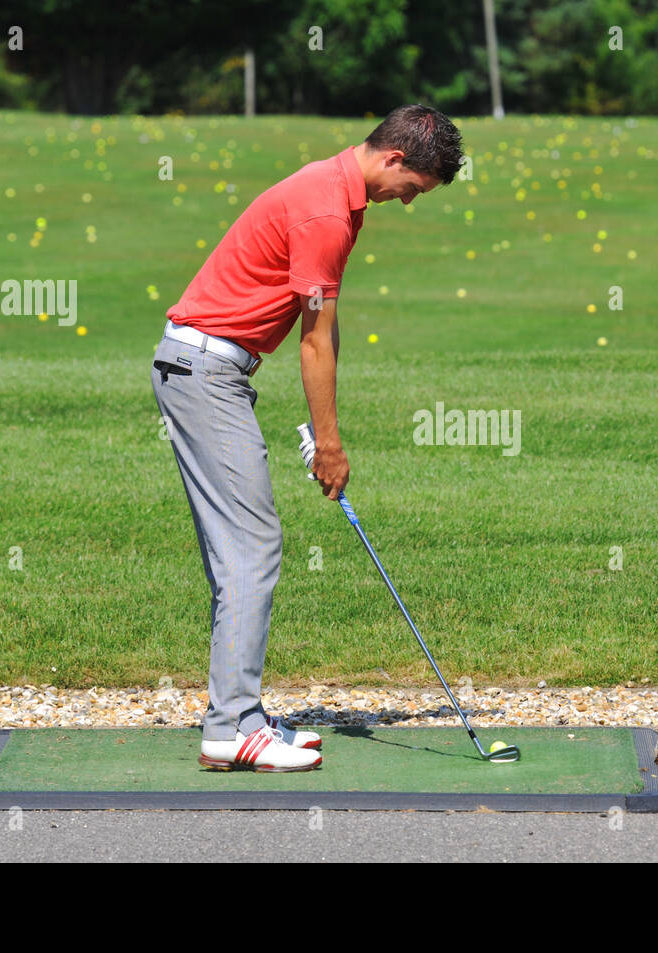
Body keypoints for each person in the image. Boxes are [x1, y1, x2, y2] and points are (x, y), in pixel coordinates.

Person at [151, 105, 464, 771]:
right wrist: (329, 444)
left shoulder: (338, 196)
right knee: (251, 545)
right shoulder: (327, 210)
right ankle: (231, 728)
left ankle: (239, 712)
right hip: (206, 371)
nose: (407, 202)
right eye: (412, 189)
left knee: (242, 547)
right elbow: (313, 343)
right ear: (395, 159)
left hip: (207, 368)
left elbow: (322, 320)